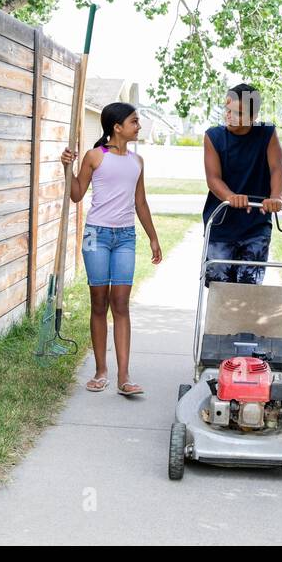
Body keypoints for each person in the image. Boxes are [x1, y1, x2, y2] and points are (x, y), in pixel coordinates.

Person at [61, 102, 162, 396]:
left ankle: (124, 377)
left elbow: (140, 203)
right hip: (96, 235)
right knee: (98, 302)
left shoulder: (137, 162)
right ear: (117, 127)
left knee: (121, 304)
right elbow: (77, 195)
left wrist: (153, 237)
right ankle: (100, 371)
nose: (139, 126)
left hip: (125, 238)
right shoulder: (95, 156)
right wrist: (66, 167)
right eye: (134, 121)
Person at [202, 83, 282, 284]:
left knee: (250, 288)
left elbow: (277, 168)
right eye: (228, 110)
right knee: (220, 289)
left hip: (256, 224)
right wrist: (231, 197)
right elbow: (213, 178)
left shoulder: (267, 134)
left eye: (238, 113)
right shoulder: (213, 137)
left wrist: (276, 197)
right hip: (222, 223)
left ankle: (247, 316)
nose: (230, 116)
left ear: (253, 116)